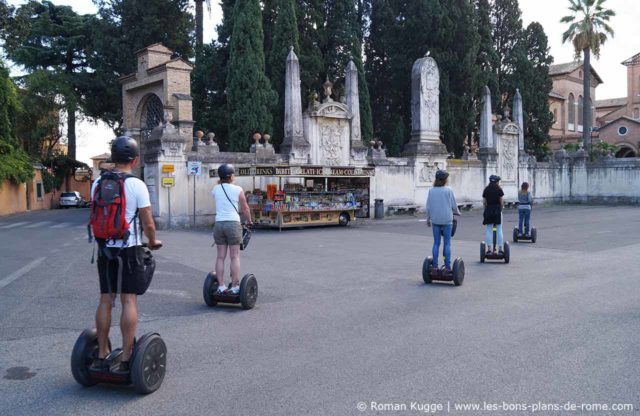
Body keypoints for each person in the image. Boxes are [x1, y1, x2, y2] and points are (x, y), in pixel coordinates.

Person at [92, 136, 162, 371]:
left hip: (104, 248)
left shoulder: (98, 183)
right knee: (128, 300)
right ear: (135, 160)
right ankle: (126, 357)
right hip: (129, 248)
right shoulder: (136, 184)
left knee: (106, 299)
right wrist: (153, 241)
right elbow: (148, 222)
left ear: (113, 158)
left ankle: (101, 353)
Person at [212, 164, 253, 294]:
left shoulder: (215, 189)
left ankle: (221, 286)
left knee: (220, 257)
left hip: (219, 224)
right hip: (233, 224)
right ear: (230, 176)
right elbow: (245, 208)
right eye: (233, 174)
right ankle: (235, 287)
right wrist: (249, 221)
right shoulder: (238, 189)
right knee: (234, 256)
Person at [426, 170, 461, 271]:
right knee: (447, 243)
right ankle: (448, 266)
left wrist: (428, 219)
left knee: (436, 243)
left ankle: (435, 266)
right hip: (447, 220)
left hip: (435, 219)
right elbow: (454, 205)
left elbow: (428, 206)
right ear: (445, 180)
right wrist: (457, 212)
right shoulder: (448, 190)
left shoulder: (431, 190)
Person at [482, 175, 504, 253]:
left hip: (488, 210)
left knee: (488, 229)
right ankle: (500, 248)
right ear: (497, 182)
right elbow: (501, 203)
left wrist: (486, 210)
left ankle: (489, 248)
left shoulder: (486, 190)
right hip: (497, 210)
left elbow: (484, 202)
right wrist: (500, 210)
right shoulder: (499, 190)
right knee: (499, 229)